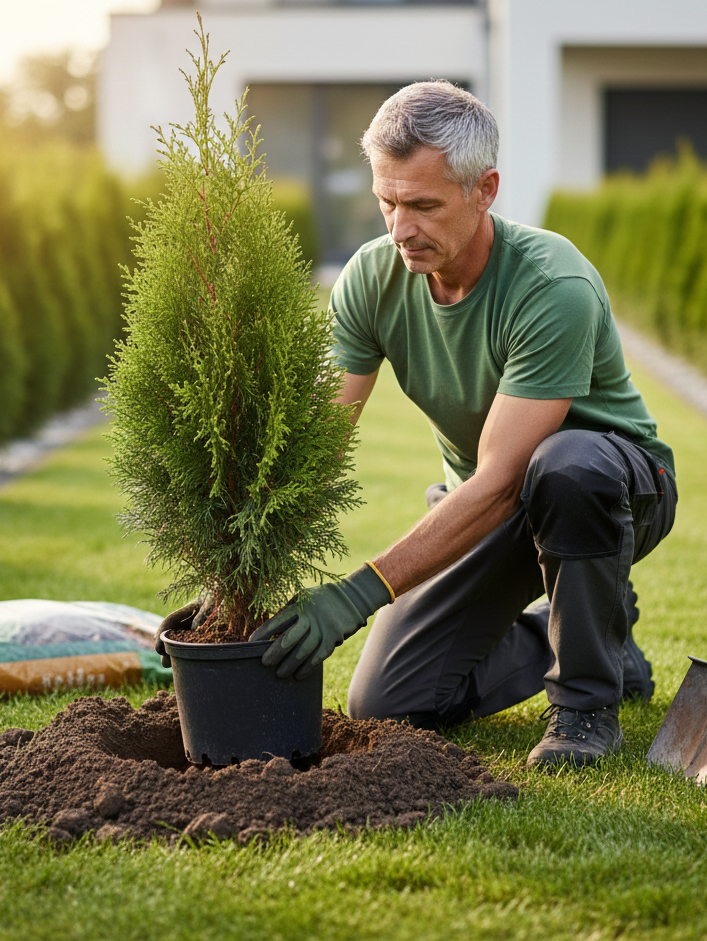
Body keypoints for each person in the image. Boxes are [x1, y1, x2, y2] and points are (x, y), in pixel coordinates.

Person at [172, 81, 678, 768]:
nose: (400, 227)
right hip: (486, 504)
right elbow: (320, 440)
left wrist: (357, 595)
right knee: (388, 700)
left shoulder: (551, 285)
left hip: (612, 489)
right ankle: (602, 639)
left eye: (423, 205)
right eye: (387, 202)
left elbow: (506, 481)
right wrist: (240, 573)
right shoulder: (373, 279)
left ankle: (585, 709)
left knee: (563, 467)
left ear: (485, 189)